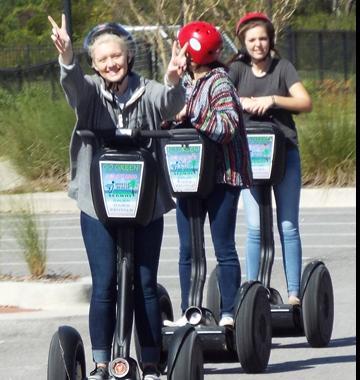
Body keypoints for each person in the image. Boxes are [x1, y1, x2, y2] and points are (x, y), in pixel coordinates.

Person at [48, 14, 188, 380]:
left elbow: (171, 104)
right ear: (94, 64)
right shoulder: (91, 92)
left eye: (117, 57)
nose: (111, 63)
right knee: (105, 282)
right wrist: (66, 58)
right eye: (103, 59)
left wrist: (175, 79)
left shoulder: (148, 90)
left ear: (129, 58)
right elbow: (75, 87)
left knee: (144, 283)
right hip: (97, 204)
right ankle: (100, 364)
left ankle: (153, 363)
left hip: (146, 204)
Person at [164, 21, 252, 328]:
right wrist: (170, 98)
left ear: (194, 52)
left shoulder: (220, 82)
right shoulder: (184, 82)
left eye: (184, 49)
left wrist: (192, 112)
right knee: (188, 247)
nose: (180, 53)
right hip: (188, 174)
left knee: (223, 245)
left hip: (223, 175)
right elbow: (164, 115)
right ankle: (191, 311)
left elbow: (227, 127)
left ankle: (228, 313)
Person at [228, 12, 312, 305]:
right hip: (250, 157)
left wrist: (273, 100)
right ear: (244, 42)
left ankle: (293, 294)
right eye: (252, 39)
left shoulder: (283, 68)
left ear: (270, 40)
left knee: (287, 225)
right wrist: (245, 102)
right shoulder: (237, 69)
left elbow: (305, 102)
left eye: (263, 38)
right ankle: (254, 294)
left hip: (284, 154)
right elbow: (220, 99)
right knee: (254, 227)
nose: (258, 44)